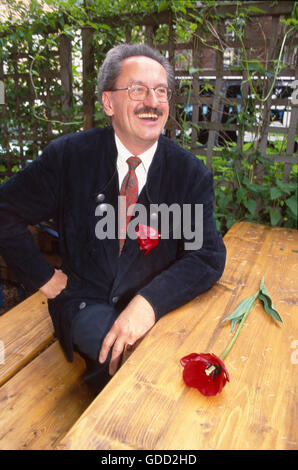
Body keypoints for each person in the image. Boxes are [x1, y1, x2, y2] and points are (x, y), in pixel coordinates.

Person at [0, 43, 226, 393]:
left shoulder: (189, 174)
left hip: (158, 306)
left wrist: (149, 303)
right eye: (138, 89)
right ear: (109, 102)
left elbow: (206, 256)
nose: (152, 101)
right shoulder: (69, 158)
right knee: (142, 373)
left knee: (197, 364)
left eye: (161, 91)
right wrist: (44, 276)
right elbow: (5, 211)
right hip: (85, 301)